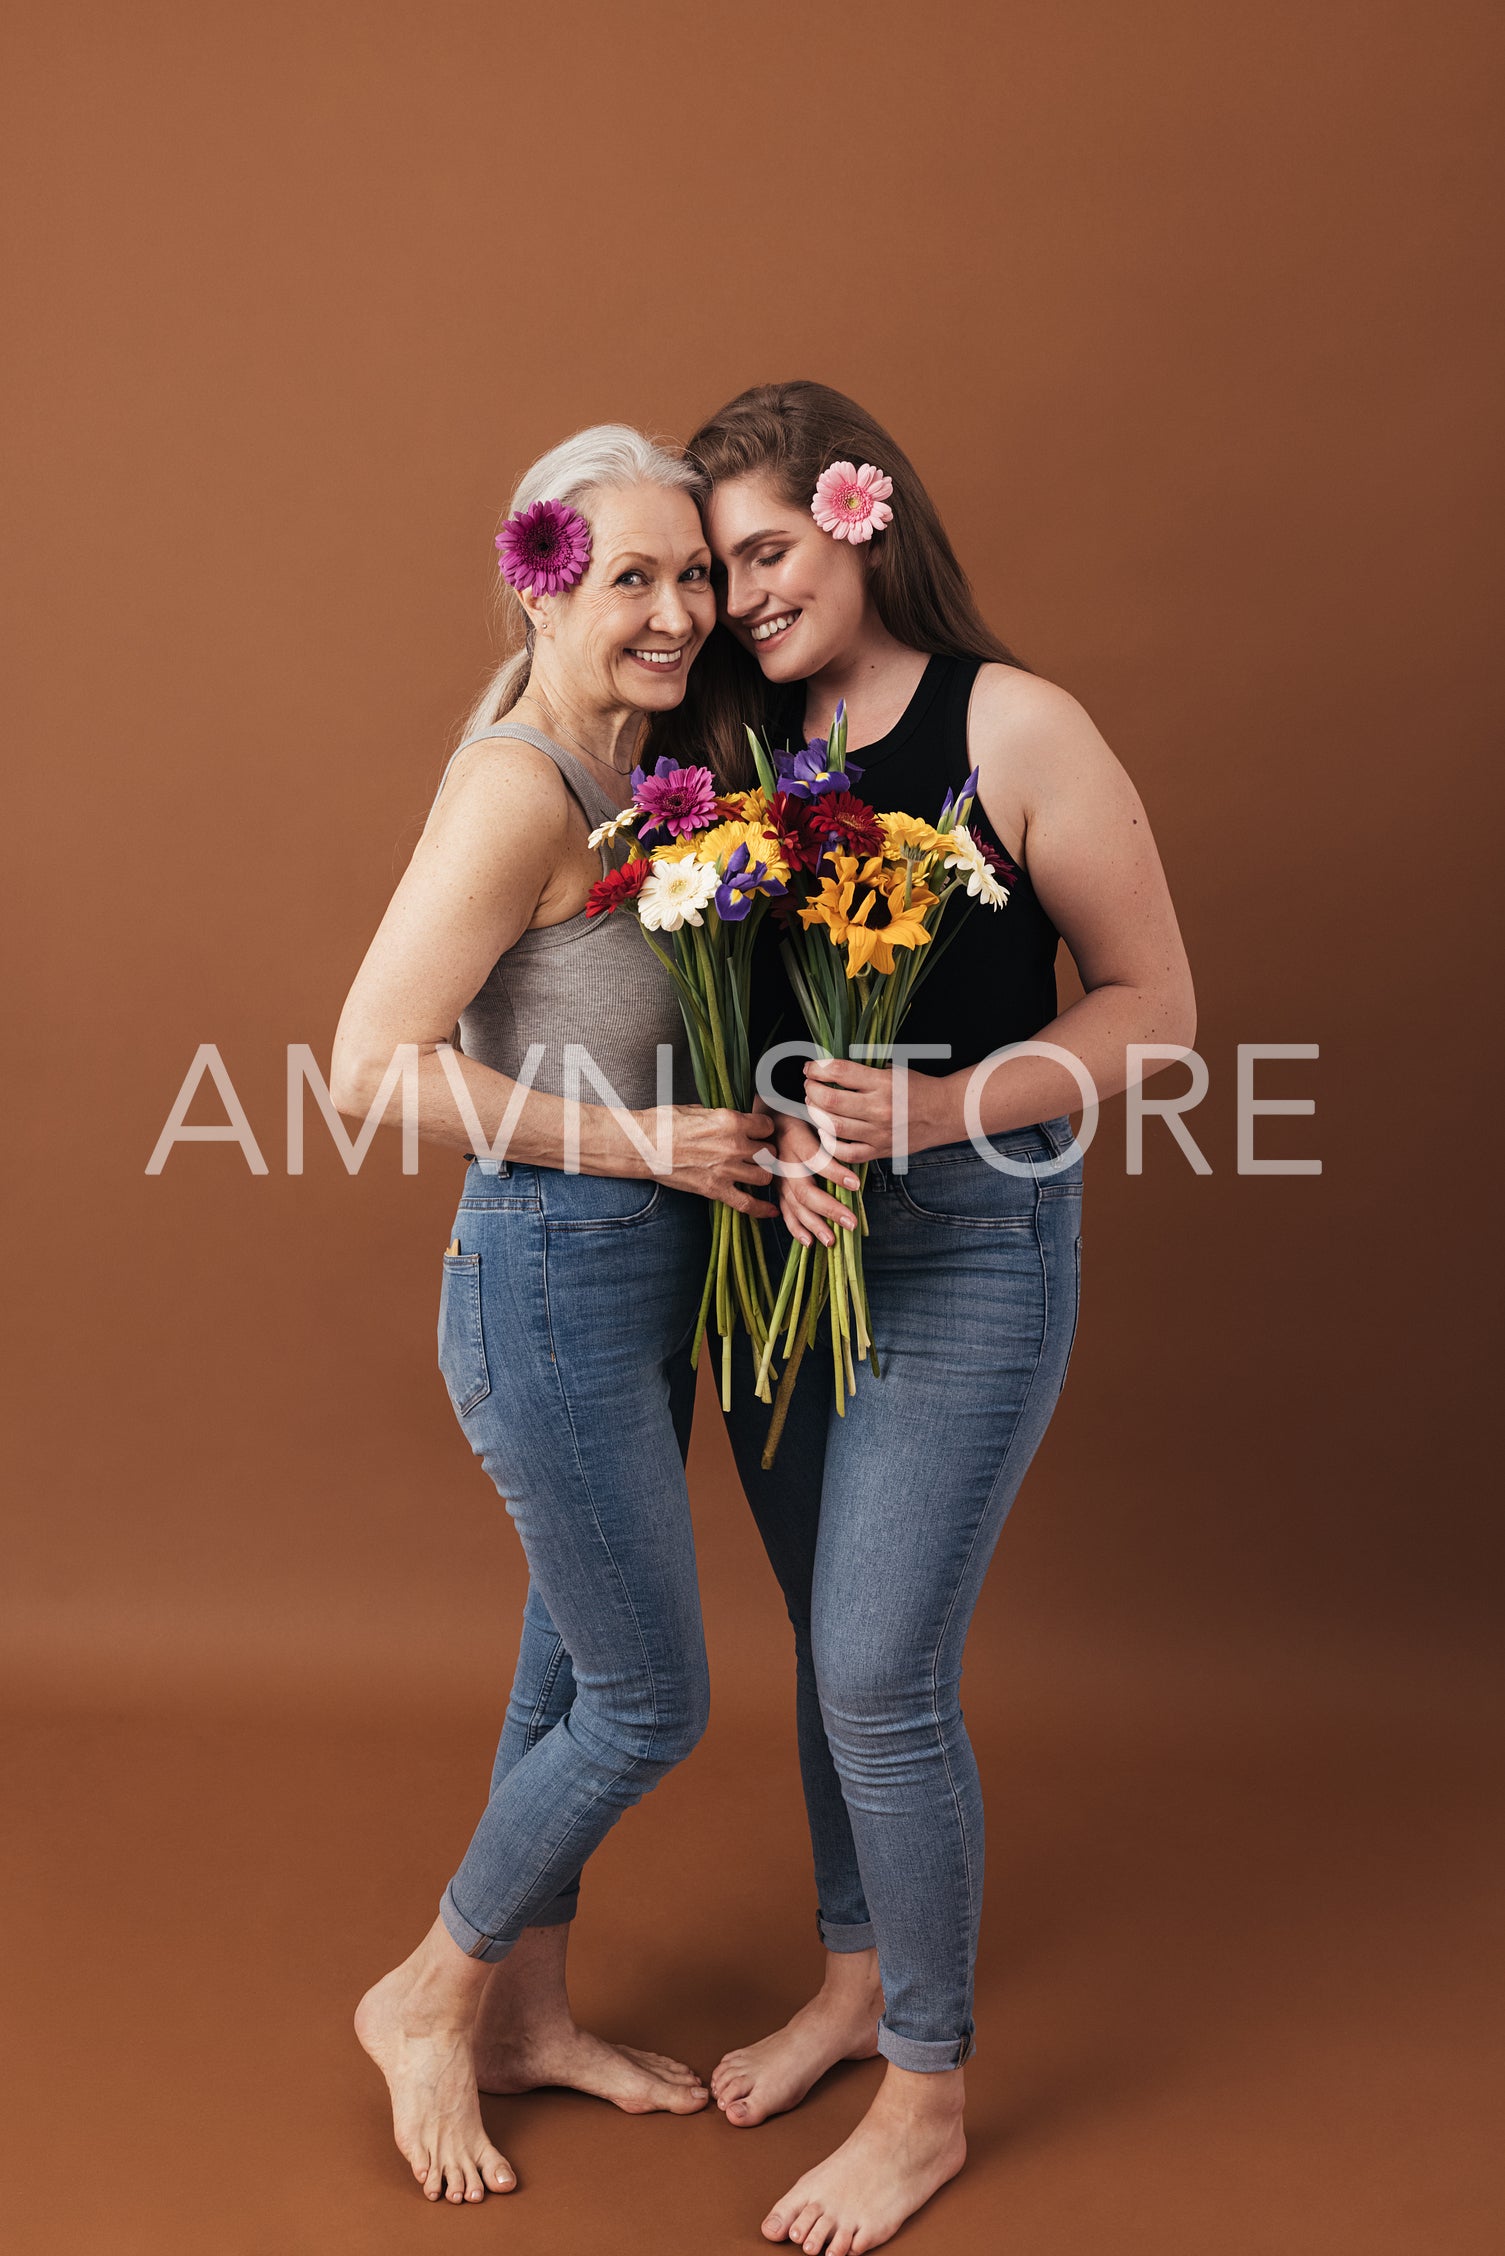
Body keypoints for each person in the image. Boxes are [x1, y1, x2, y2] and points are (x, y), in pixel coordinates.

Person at [685, 380, 1198, 2254]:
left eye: (768, 552)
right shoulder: (735, 738)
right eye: (721, 564)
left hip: (974, 1241)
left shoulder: (1015, 725)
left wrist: (939, 1105)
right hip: (781, 1257)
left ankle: (925, 2092)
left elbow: (1156, 1009)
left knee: (878, 1670)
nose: (742, 595)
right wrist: (766, 1146)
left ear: (860, 515)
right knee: (825, 1638)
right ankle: (846, 1976)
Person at [331, 425, 778, 2205]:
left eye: (693, 573)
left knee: (565, 1675)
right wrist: (643, 1143)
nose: (677, 614)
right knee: (650, 1699)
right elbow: (365, 1066)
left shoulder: (649, 758)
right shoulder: (521, 786)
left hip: (637, 1286)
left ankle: (528, 2019)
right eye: (631, 583)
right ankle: (428, 1997)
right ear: (536, 581)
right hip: (543, 1277)